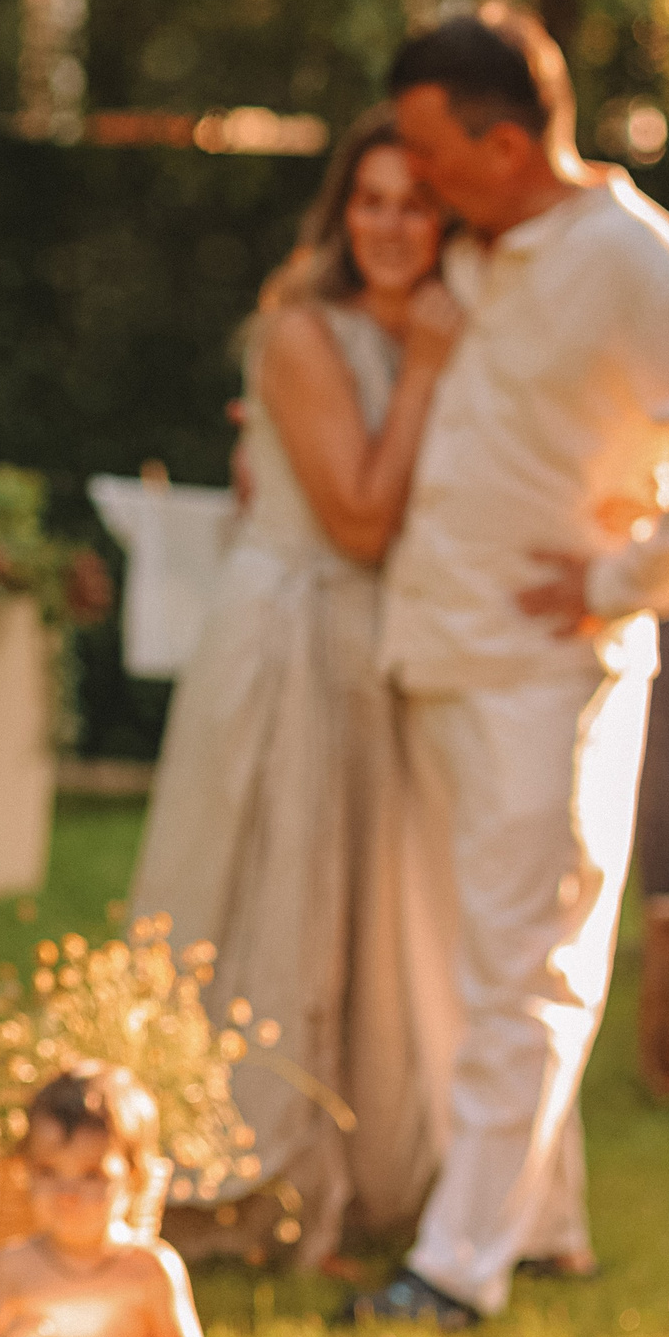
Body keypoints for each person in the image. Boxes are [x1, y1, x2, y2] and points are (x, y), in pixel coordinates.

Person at [350, 7, 669, 1331]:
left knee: (526, 966)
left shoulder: (632, 258)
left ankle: (456, 1267)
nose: (414, 178)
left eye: (431, 153)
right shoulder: (480, 251)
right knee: (460, 961)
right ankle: (536, 1225)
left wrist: (620, 580)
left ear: (504, 140)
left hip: (551, 675)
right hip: (439, 653)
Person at [129, 105, 463, 1265]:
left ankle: (377, 1171)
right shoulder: (302, 330)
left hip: (384, 644)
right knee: (271, 890)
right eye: (369, 199)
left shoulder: (450, 320)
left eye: (415, 202)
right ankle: (243, 1170)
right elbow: (361, 519)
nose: (389, 224)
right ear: (340, 211)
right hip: (288, 635)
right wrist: (424, 367)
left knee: (379, 910)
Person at [0, 1065, 203, 1337]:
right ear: (27, 1173)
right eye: (48, 1171)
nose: (67, 1194)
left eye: (91, 1176)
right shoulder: (13, 1267)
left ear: (135, 1179)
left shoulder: (149, 1269)